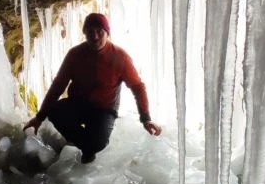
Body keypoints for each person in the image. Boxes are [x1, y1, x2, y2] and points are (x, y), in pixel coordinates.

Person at [23, 13, 162, 163]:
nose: (95, 36)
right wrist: (39, 118)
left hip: (104, 109)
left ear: (107, 33)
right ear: (85, 33)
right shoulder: (75, 54)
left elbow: (137, 87)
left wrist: (146, 119)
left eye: (99, 32)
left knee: (96, 143)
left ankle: (90, 144)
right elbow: (58, 85)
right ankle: (85, 144)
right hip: (78, 103)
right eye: (90, 32)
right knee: (54, 111)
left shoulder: (120, 57)